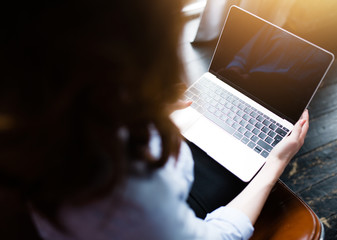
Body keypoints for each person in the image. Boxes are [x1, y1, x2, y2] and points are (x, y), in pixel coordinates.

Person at [0, 0, 309, 239]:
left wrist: (141, 105)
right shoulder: (126, 185)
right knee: (242, 166)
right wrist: (274, 166)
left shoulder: (30, 110)